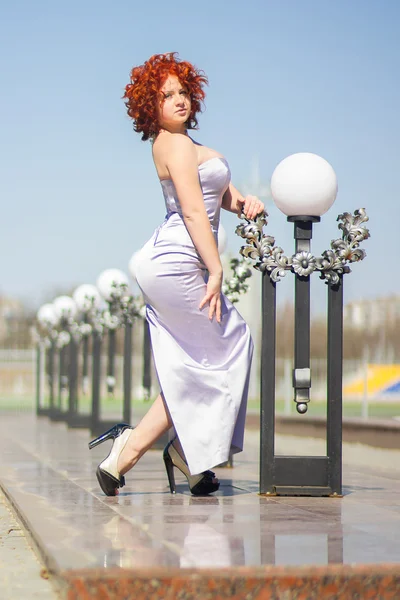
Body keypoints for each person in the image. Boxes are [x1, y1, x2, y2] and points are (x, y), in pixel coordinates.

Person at [89, 52, 264, 496]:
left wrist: (243, 203)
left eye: (183, 91)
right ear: (152, 106)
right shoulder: (172, 144)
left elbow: (213, 193)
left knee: (204, 361)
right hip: (178, 258)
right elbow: (190, 208)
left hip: (177, 257)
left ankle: (178, 454)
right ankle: (151, 451)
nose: (179, 100)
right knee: (228, 347)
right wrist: (216, 266)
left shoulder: (189, 146)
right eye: (166, 96)